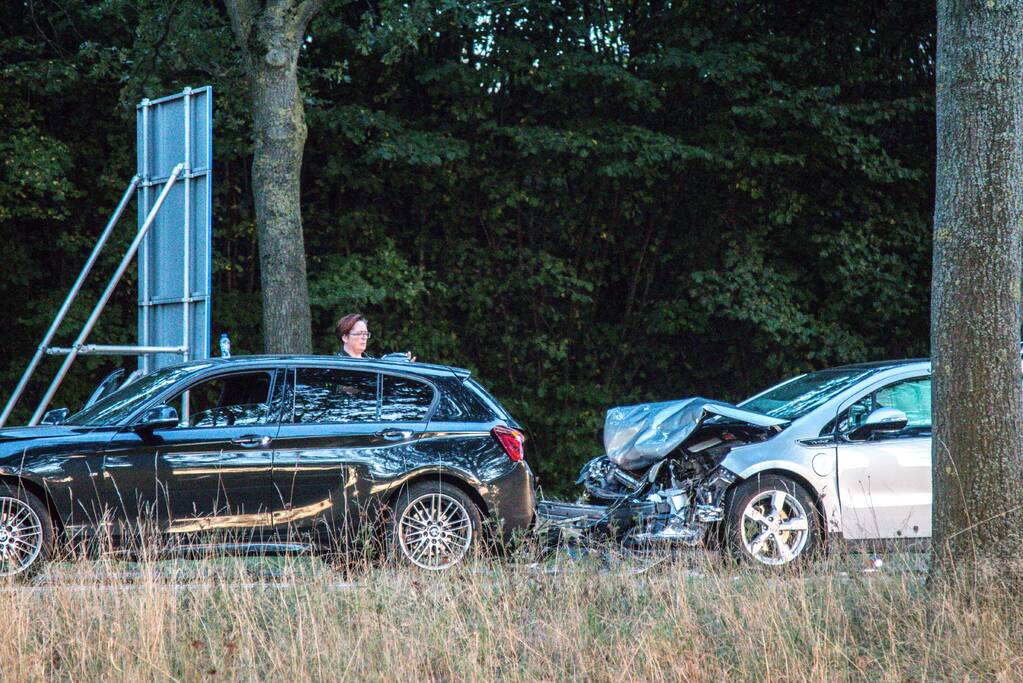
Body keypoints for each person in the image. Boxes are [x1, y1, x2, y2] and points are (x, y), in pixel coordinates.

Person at [335, 313, 416, 361]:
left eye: (366, 334)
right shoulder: (336, 365)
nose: (364, 337)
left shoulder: (372, 362)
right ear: (345, 337)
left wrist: (405, 372)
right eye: (359, 333)